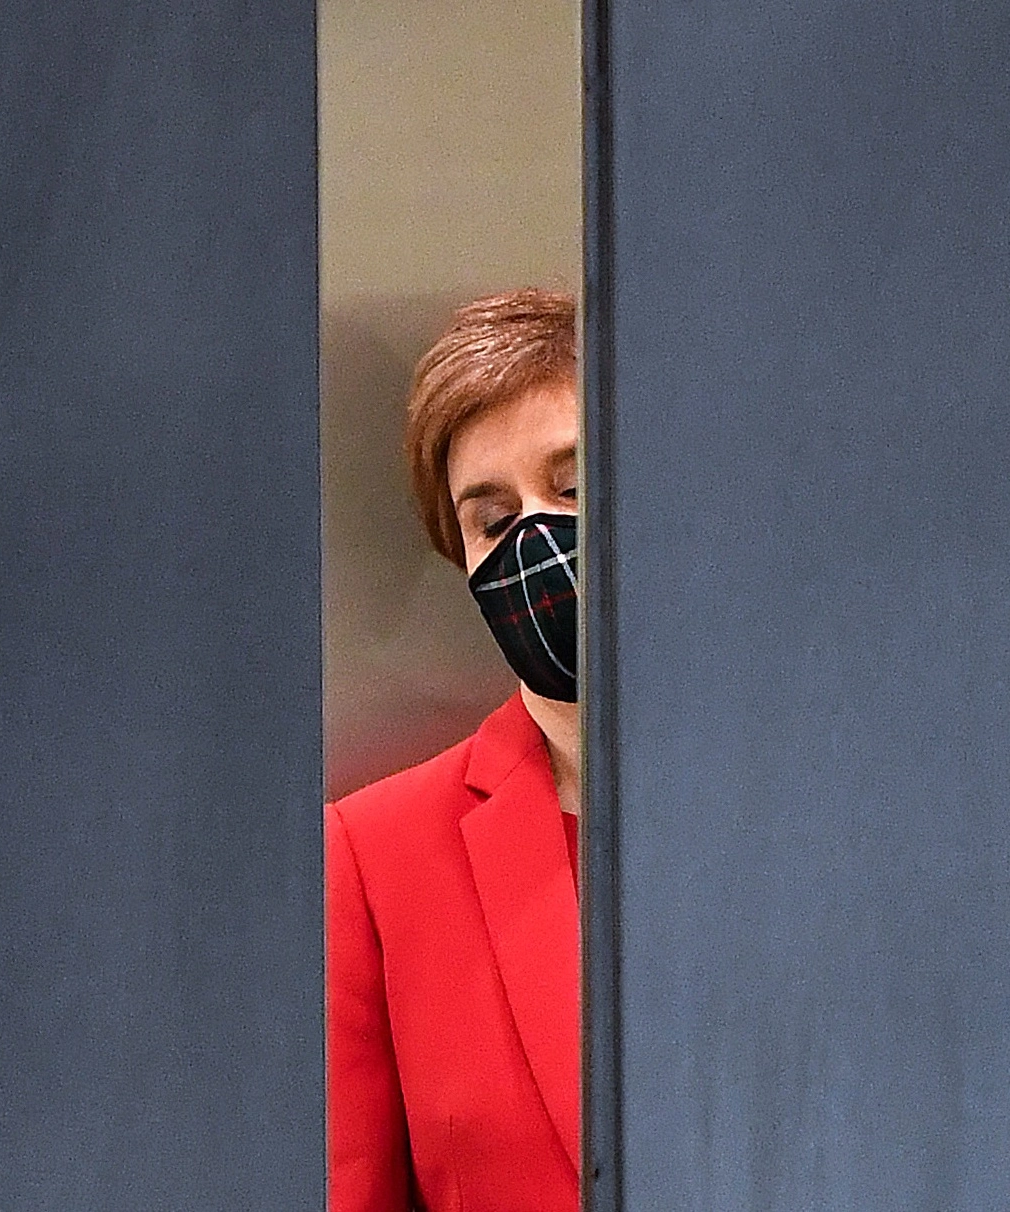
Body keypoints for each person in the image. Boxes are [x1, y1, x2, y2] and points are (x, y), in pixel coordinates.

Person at [326, 288, 583, 1212]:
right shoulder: (376, 856)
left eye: (574, 488)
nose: (537, 539)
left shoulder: (835, 810)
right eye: (493, 520)